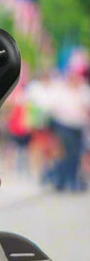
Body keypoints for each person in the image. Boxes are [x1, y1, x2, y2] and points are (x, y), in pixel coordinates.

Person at [46, 64, 90, 192]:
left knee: (76, 154)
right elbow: (53, 107)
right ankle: (62, 179)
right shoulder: (62, 90)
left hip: (79, 126)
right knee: (67, 152)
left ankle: (71, 179)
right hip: (65, 125)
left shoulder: (84, 90)